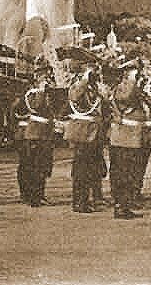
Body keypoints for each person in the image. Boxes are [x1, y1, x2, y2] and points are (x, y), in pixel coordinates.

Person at [108, 65, 151, 219]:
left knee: (131, 173)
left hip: (134, 138)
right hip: (123, 138)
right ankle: (120, 206)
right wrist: (133, 80)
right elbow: (126, 98)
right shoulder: (120, 89)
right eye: (136, 75)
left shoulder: (136, 91)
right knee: (122, 173)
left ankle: (126, 204)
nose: (140, 78)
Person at [64, 65, 107, 213]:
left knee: (93, 168)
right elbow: (74, 96)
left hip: (95, 133)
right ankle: (79, 202)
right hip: (83, 133)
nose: (96, 74)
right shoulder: (77, 86)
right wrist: (84, 79)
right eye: (93, 72)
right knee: (81, 170)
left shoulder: (95, 89)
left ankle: (90, 198)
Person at [23, 65, 57, 208]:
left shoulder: (47, 93)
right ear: (38, 78)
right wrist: (42, 91)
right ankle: (32, 197)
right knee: (34, 166)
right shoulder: (31, 94)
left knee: (44, 167)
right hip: (35, 134)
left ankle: (40, 195)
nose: (48, 79)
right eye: (45, 77)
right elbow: (36, 106)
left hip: (46, 134)